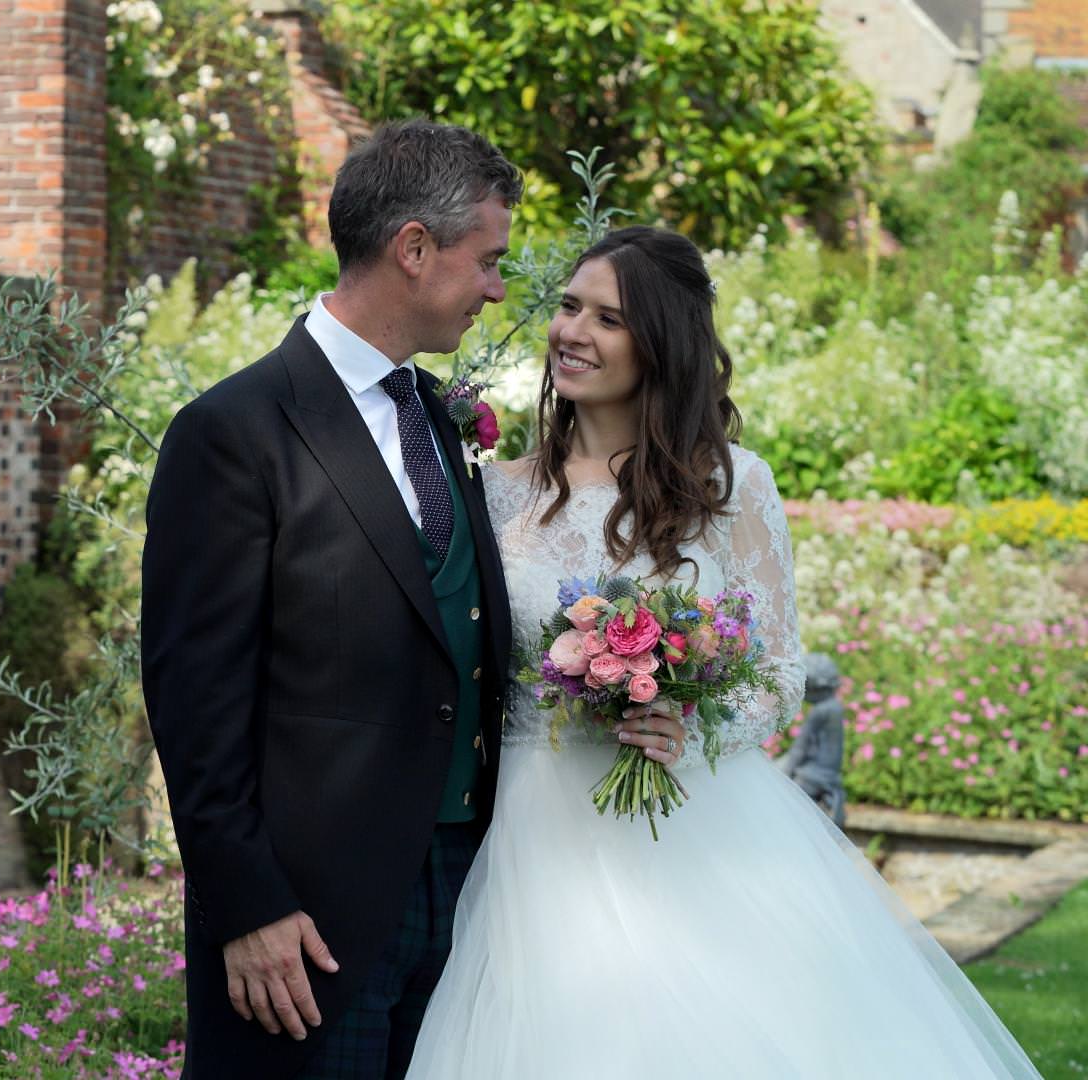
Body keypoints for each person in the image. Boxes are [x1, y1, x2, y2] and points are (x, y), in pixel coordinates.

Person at [404, 226, 1038, 1078]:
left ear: (660, 343)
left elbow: (778, 673)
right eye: (567, 307)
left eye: (608, 319)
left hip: (698, 824)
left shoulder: (732, 487)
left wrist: (688, 721)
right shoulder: (498, 489)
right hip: (536, 828)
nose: (572, 333)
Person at [140, 122, 690, 1079]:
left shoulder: (440, 415)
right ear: (414, 249)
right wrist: (248, 906)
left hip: (475, 900)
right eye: (489, 261)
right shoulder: (233, 432)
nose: (497, 289)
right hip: (308, 927)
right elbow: (193, 702)